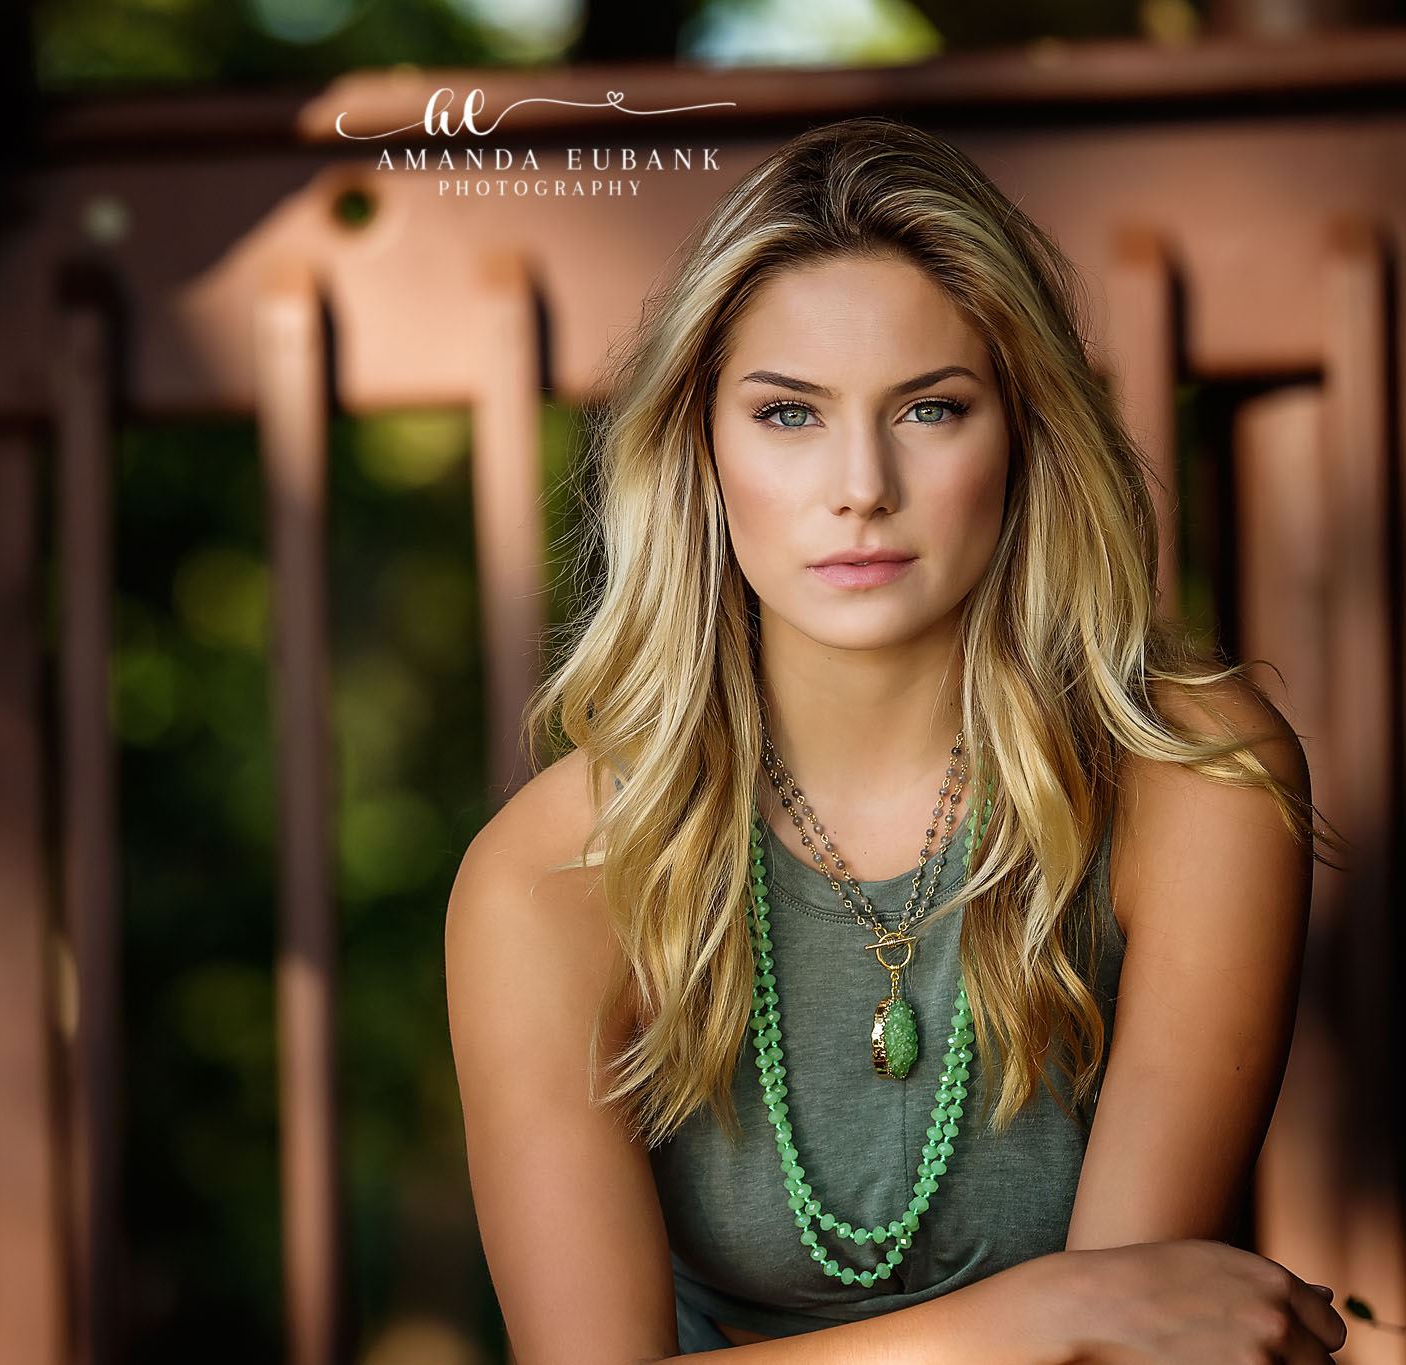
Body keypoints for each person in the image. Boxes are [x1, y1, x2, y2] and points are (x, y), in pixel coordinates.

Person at [445, 115, 1349, 1363]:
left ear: (1021, 438)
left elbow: (1138, 1351)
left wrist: (1081, 1325)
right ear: (698, 452)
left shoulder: (1191, 777)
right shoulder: (545, 881)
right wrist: (1036, 1319)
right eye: (787, 416)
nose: (859, 483)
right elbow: (1100, 1321)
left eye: (928, 410)